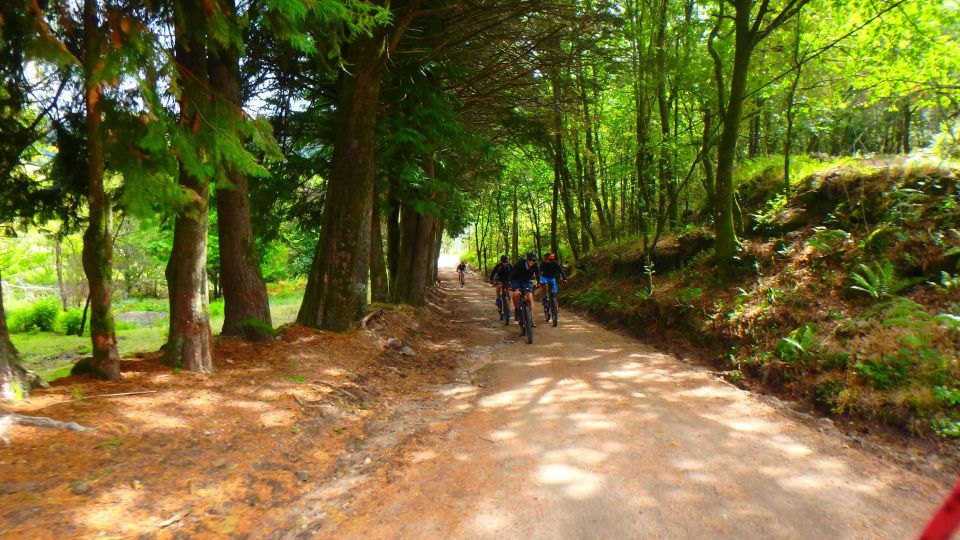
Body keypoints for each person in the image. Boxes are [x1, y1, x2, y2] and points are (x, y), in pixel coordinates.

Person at [509, 251, 539, 326]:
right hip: (516, 280)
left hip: (526, 281)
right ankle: (516, 310)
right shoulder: (519, 264)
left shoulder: (535, 266)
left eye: (534, 260)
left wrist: (539, 283)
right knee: (516, 294)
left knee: (530, 297)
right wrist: (509, 283)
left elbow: (538, 276)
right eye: (530, 259)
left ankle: (530, 318)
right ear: (527, 259)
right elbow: (512, 274)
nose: (532, 261)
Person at [538, 253, 567, 321]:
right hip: (544, 278)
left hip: (552, 278)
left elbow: (561, 270)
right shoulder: (542, 264)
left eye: (547, 259)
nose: (546, 260)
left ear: (550, 259)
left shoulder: (554, 263)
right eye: (545, 259)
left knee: (554, 293)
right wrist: (539, 281)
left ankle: (555, 307)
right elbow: (538, 272)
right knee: (545, 285)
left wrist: (564, 278)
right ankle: (544, 298)